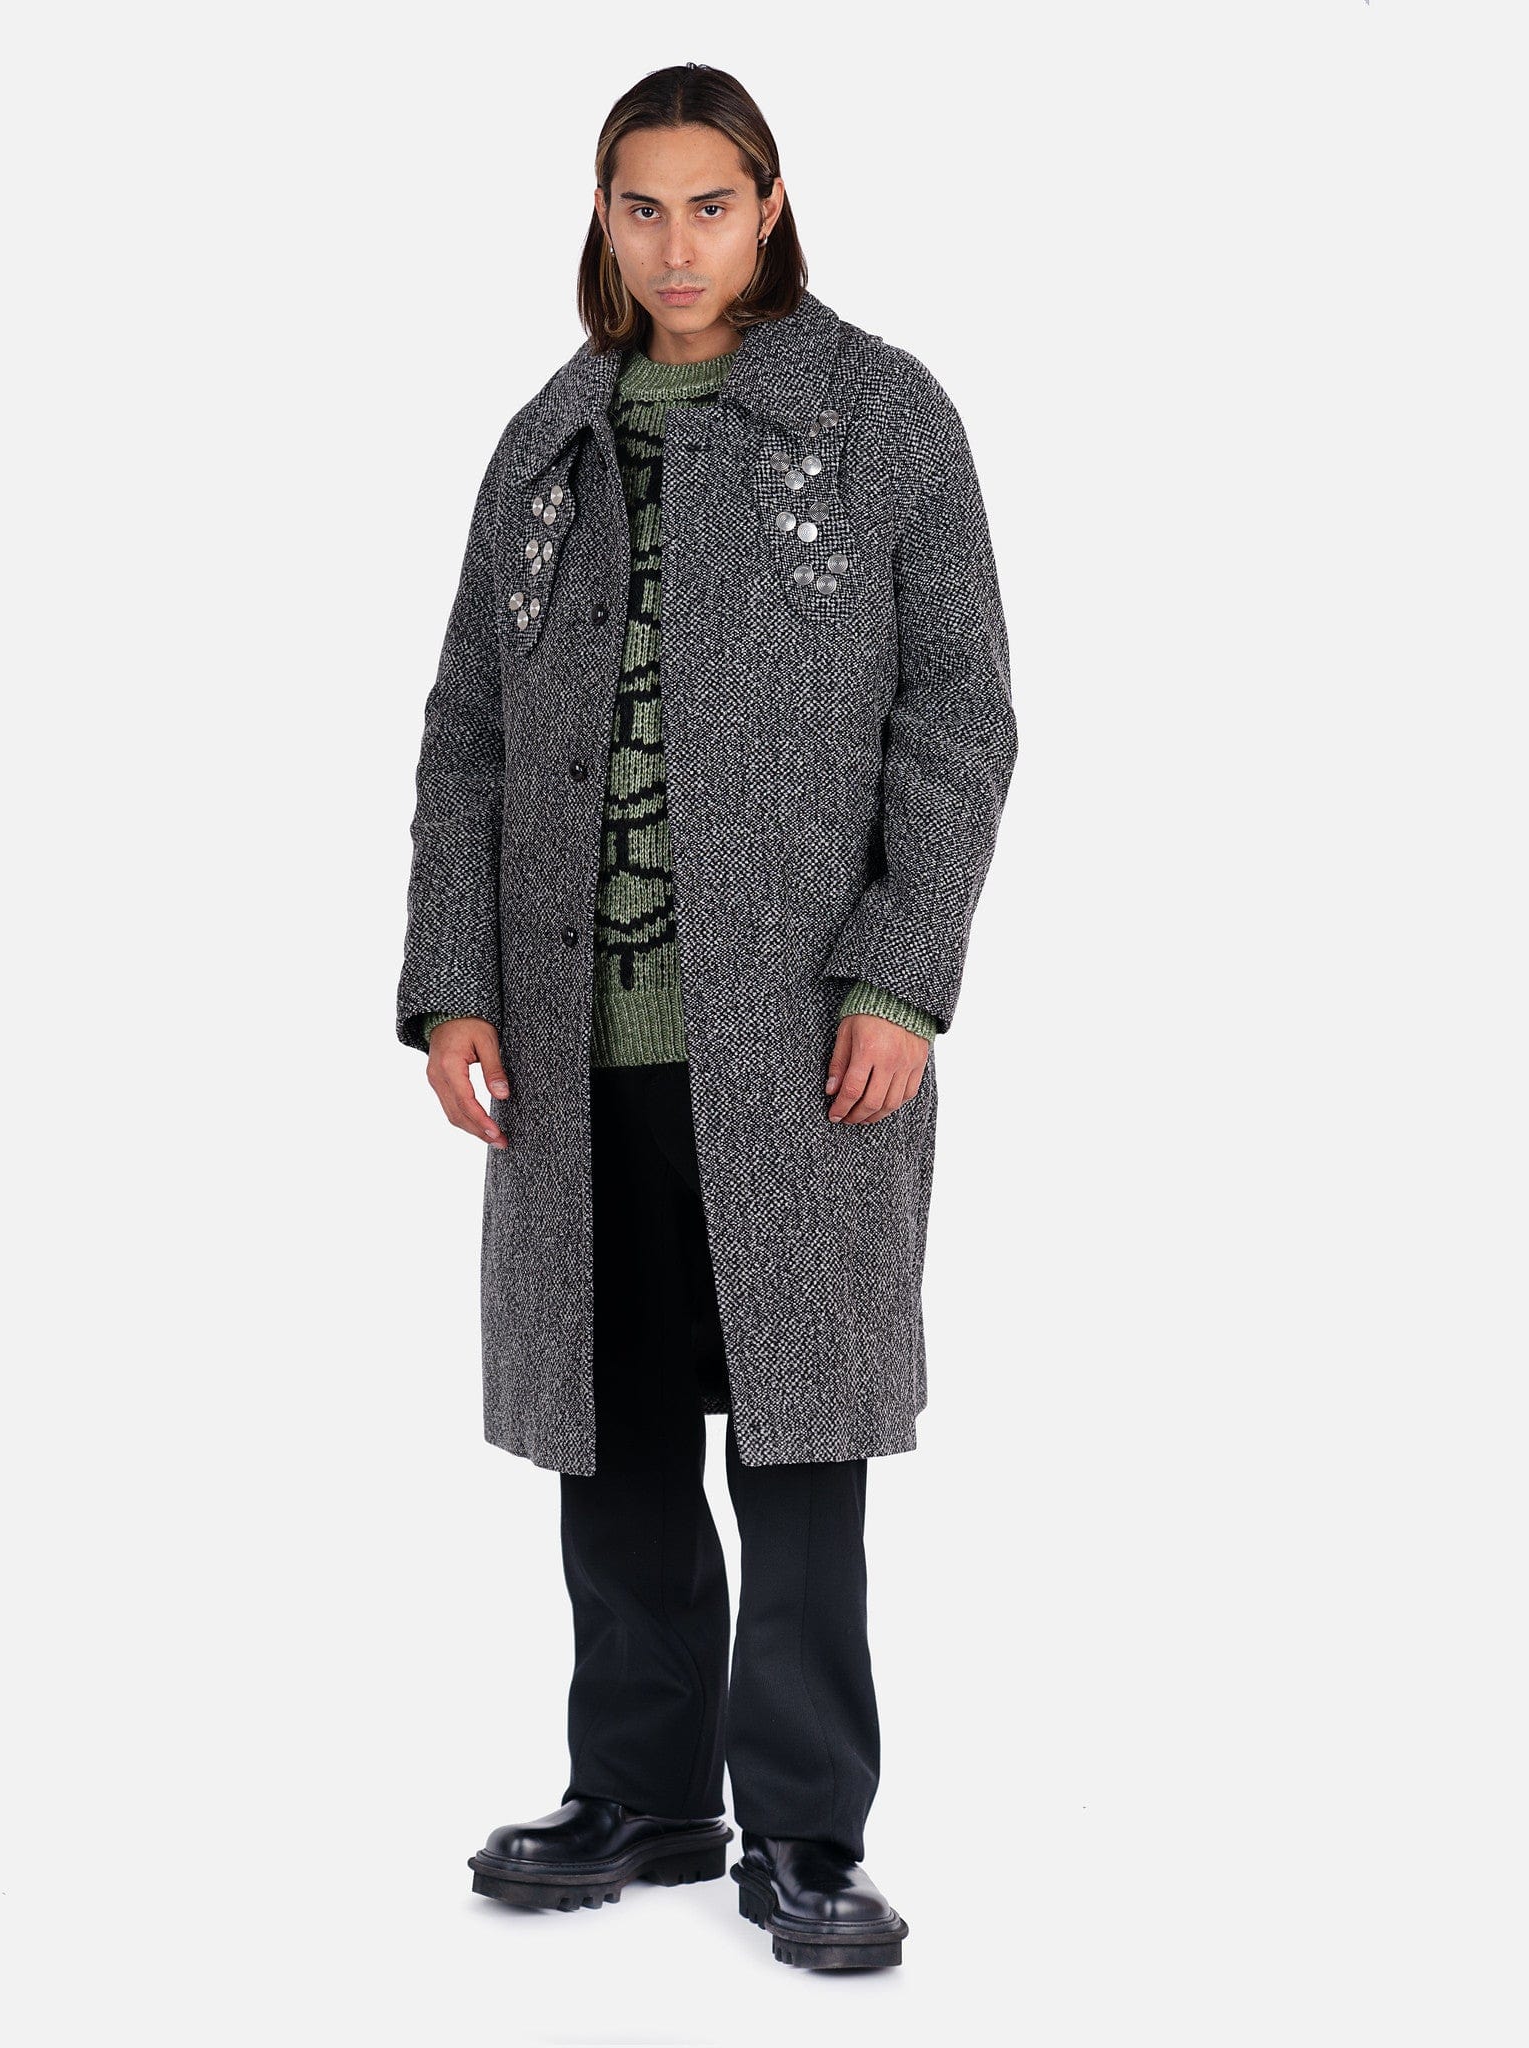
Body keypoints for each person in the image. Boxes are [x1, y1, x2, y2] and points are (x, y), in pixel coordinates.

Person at [396, 61, 1016, 1972]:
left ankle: (807, 1831)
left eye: (710, 206)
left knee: (802, 1450)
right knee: (617, 1443)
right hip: (578, 1041)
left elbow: (960, 713)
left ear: (771, 203)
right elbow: (467, 731)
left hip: (802, 1037)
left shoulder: (879, 413)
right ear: (604, 216)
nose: (676, 247)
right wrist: (453, 983)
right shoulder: (549, 438)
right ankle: (645, 1794)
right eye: (641, 208)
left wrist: (903, 972)